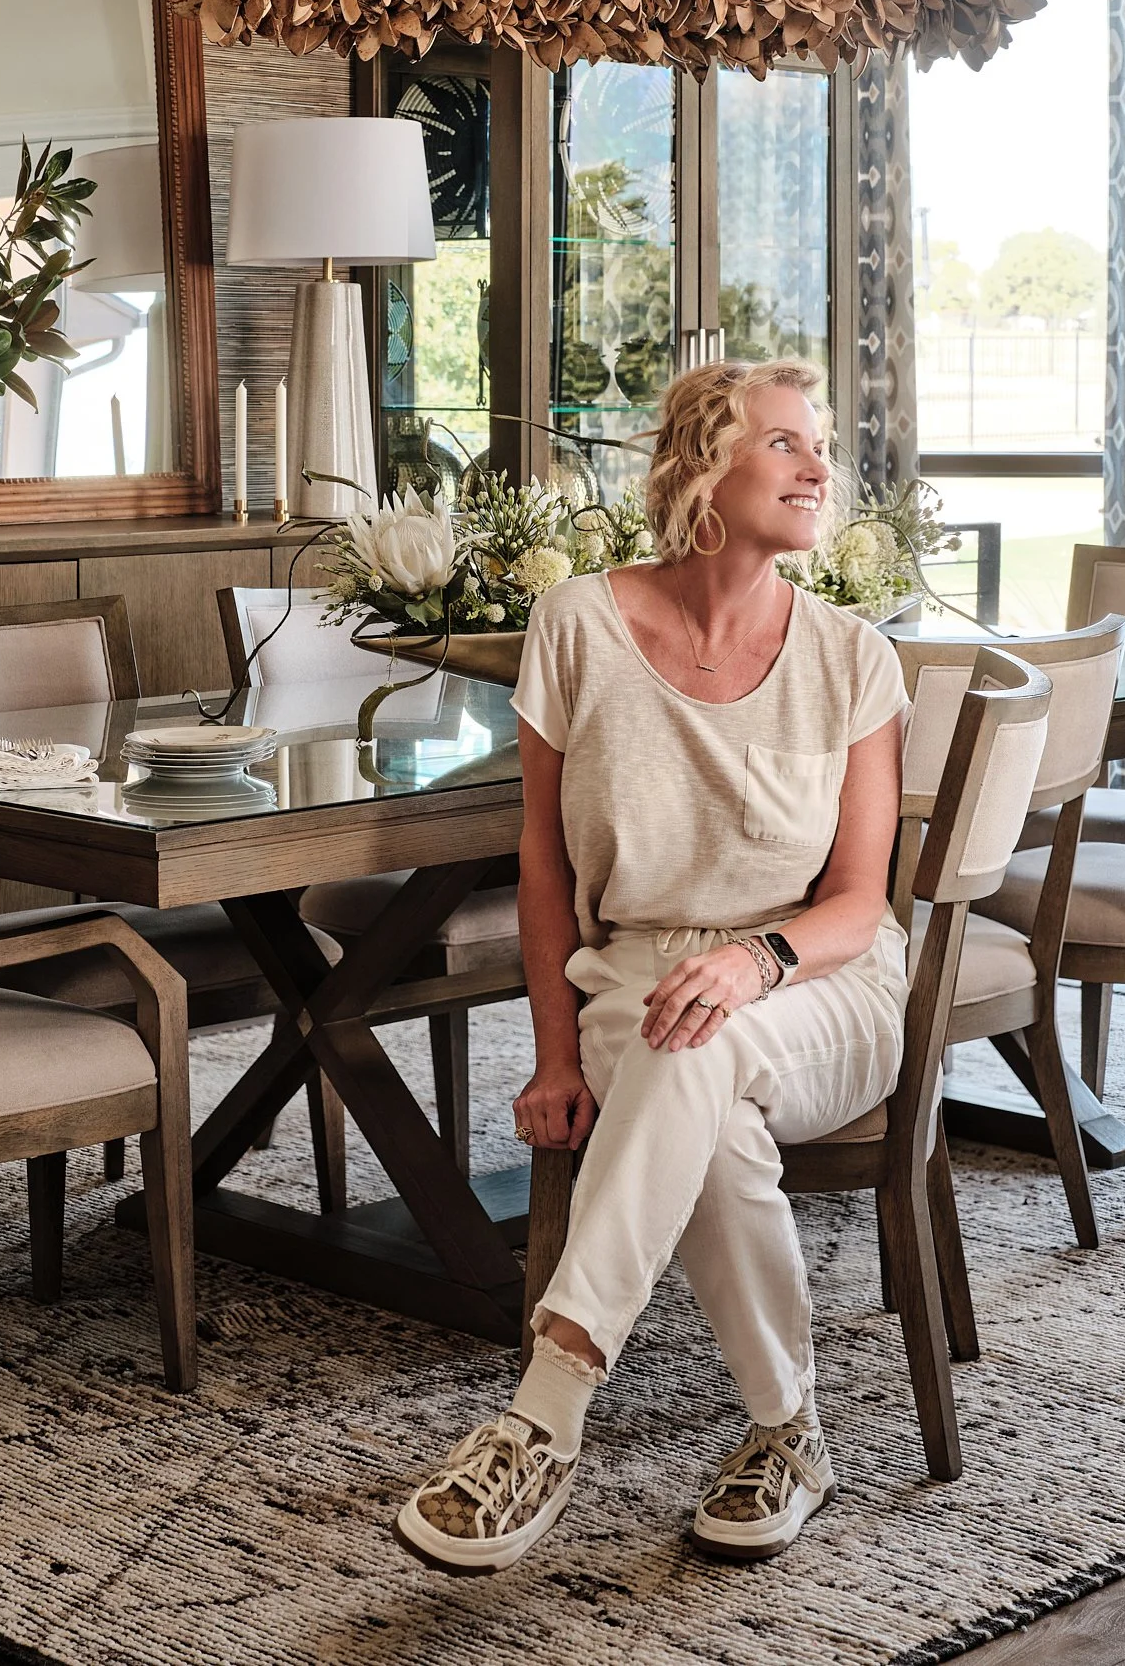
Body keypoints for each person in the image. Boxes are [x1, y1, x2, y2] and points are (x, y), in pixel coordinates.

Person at [395, 359, 908, 1572]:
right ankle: (789, 1431)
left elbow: (858, 901)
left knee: (703, 1041)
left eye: (818, 446)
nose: (817, 467)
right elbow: (541, 862)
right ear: (703, 468)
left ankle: (544, 1415)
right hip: (634, 978)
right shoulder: (576, 624)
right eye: (784, 443)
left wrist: (755, 961)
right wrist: (554, 1056)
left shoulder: (852, 657)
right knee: (704, 1099)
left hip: (820, 980)